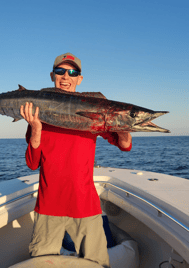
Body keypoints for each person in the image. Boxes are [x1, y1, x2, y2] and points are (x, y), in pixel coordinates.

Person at [20, 52, 132, 267]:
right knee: (42, 263)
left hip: (84, 204)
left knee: (98, 262)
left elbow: (124, 145)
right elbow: (32, 163)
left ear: (79, 79)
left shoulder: (94, 109)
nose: (66, 76)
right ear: (52, 75)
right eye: (60, 71)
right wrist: (35, 128)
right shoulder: (39, 112)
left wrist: (124, 127)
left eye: (72, 72)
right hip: (48, 204)